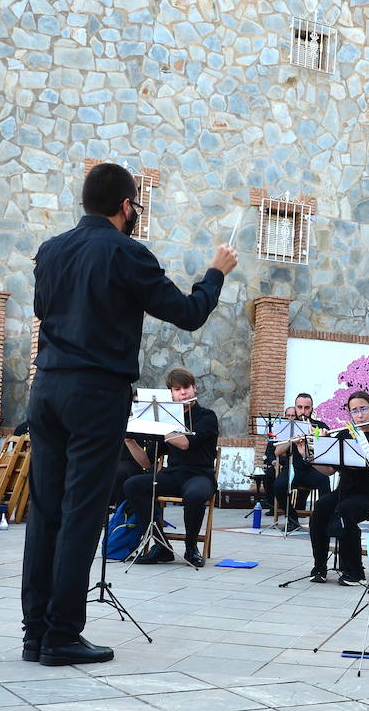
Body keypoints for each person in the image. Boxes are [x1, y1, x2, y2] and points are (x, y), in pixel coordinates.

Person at [23, 162, 236, 667]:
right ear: (126, 206)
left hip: (47, 388)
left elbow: (41, 309)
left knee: (45, 511)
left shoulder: (50, 251)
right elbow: (187, 313)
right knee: (82, 511)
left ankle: (35, 633)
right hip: (96, 391)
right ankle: (62, 634)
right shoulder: (127, 252)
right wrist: (216, 273)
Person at [124, 368, 219, 568]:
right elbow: (146, 462)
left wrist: (160, 426)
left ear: (194, 388)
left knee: (194, 495)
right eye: (177, 389)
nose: (183, 393)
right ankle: (161, 546)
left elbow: (185, 444)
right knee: (133, 485)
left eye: (186, 388)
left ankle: (191, 547)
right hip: (173, 475)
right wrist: (129, 439)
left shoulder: (207, 417)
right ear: (171, 394)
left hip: (200, 475)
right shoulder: (165, 419)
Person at [305, 391, 369, 586]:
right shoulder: (344, 435)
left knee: (345, 510)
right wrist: (313, 453)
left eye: (363, 409)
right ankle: (319, 566)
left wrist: (350, 441)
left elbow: (359, 463)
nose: (360, 415)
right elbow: (328, 470)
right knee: (320, 507)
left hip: (368, 497)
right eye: (355, 411)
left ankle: (355, 570)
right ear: (350, 414)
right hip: (343, 493)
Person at [271, 393, 331, 532]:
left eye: (306, 408)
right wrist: (292, 439)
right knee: (278, 486)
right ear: (295, 407)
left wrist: (319, 439)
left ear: (312, 409)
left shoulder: (319, 426)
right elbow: (277, 452)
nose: (303, 411)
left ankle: (323, 520)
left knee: (325, 483)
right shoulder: (288, 426)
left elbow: (327, 452)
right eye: (299, 407)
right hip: (293, 468)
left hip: (314, 469)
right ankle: (292, 519)